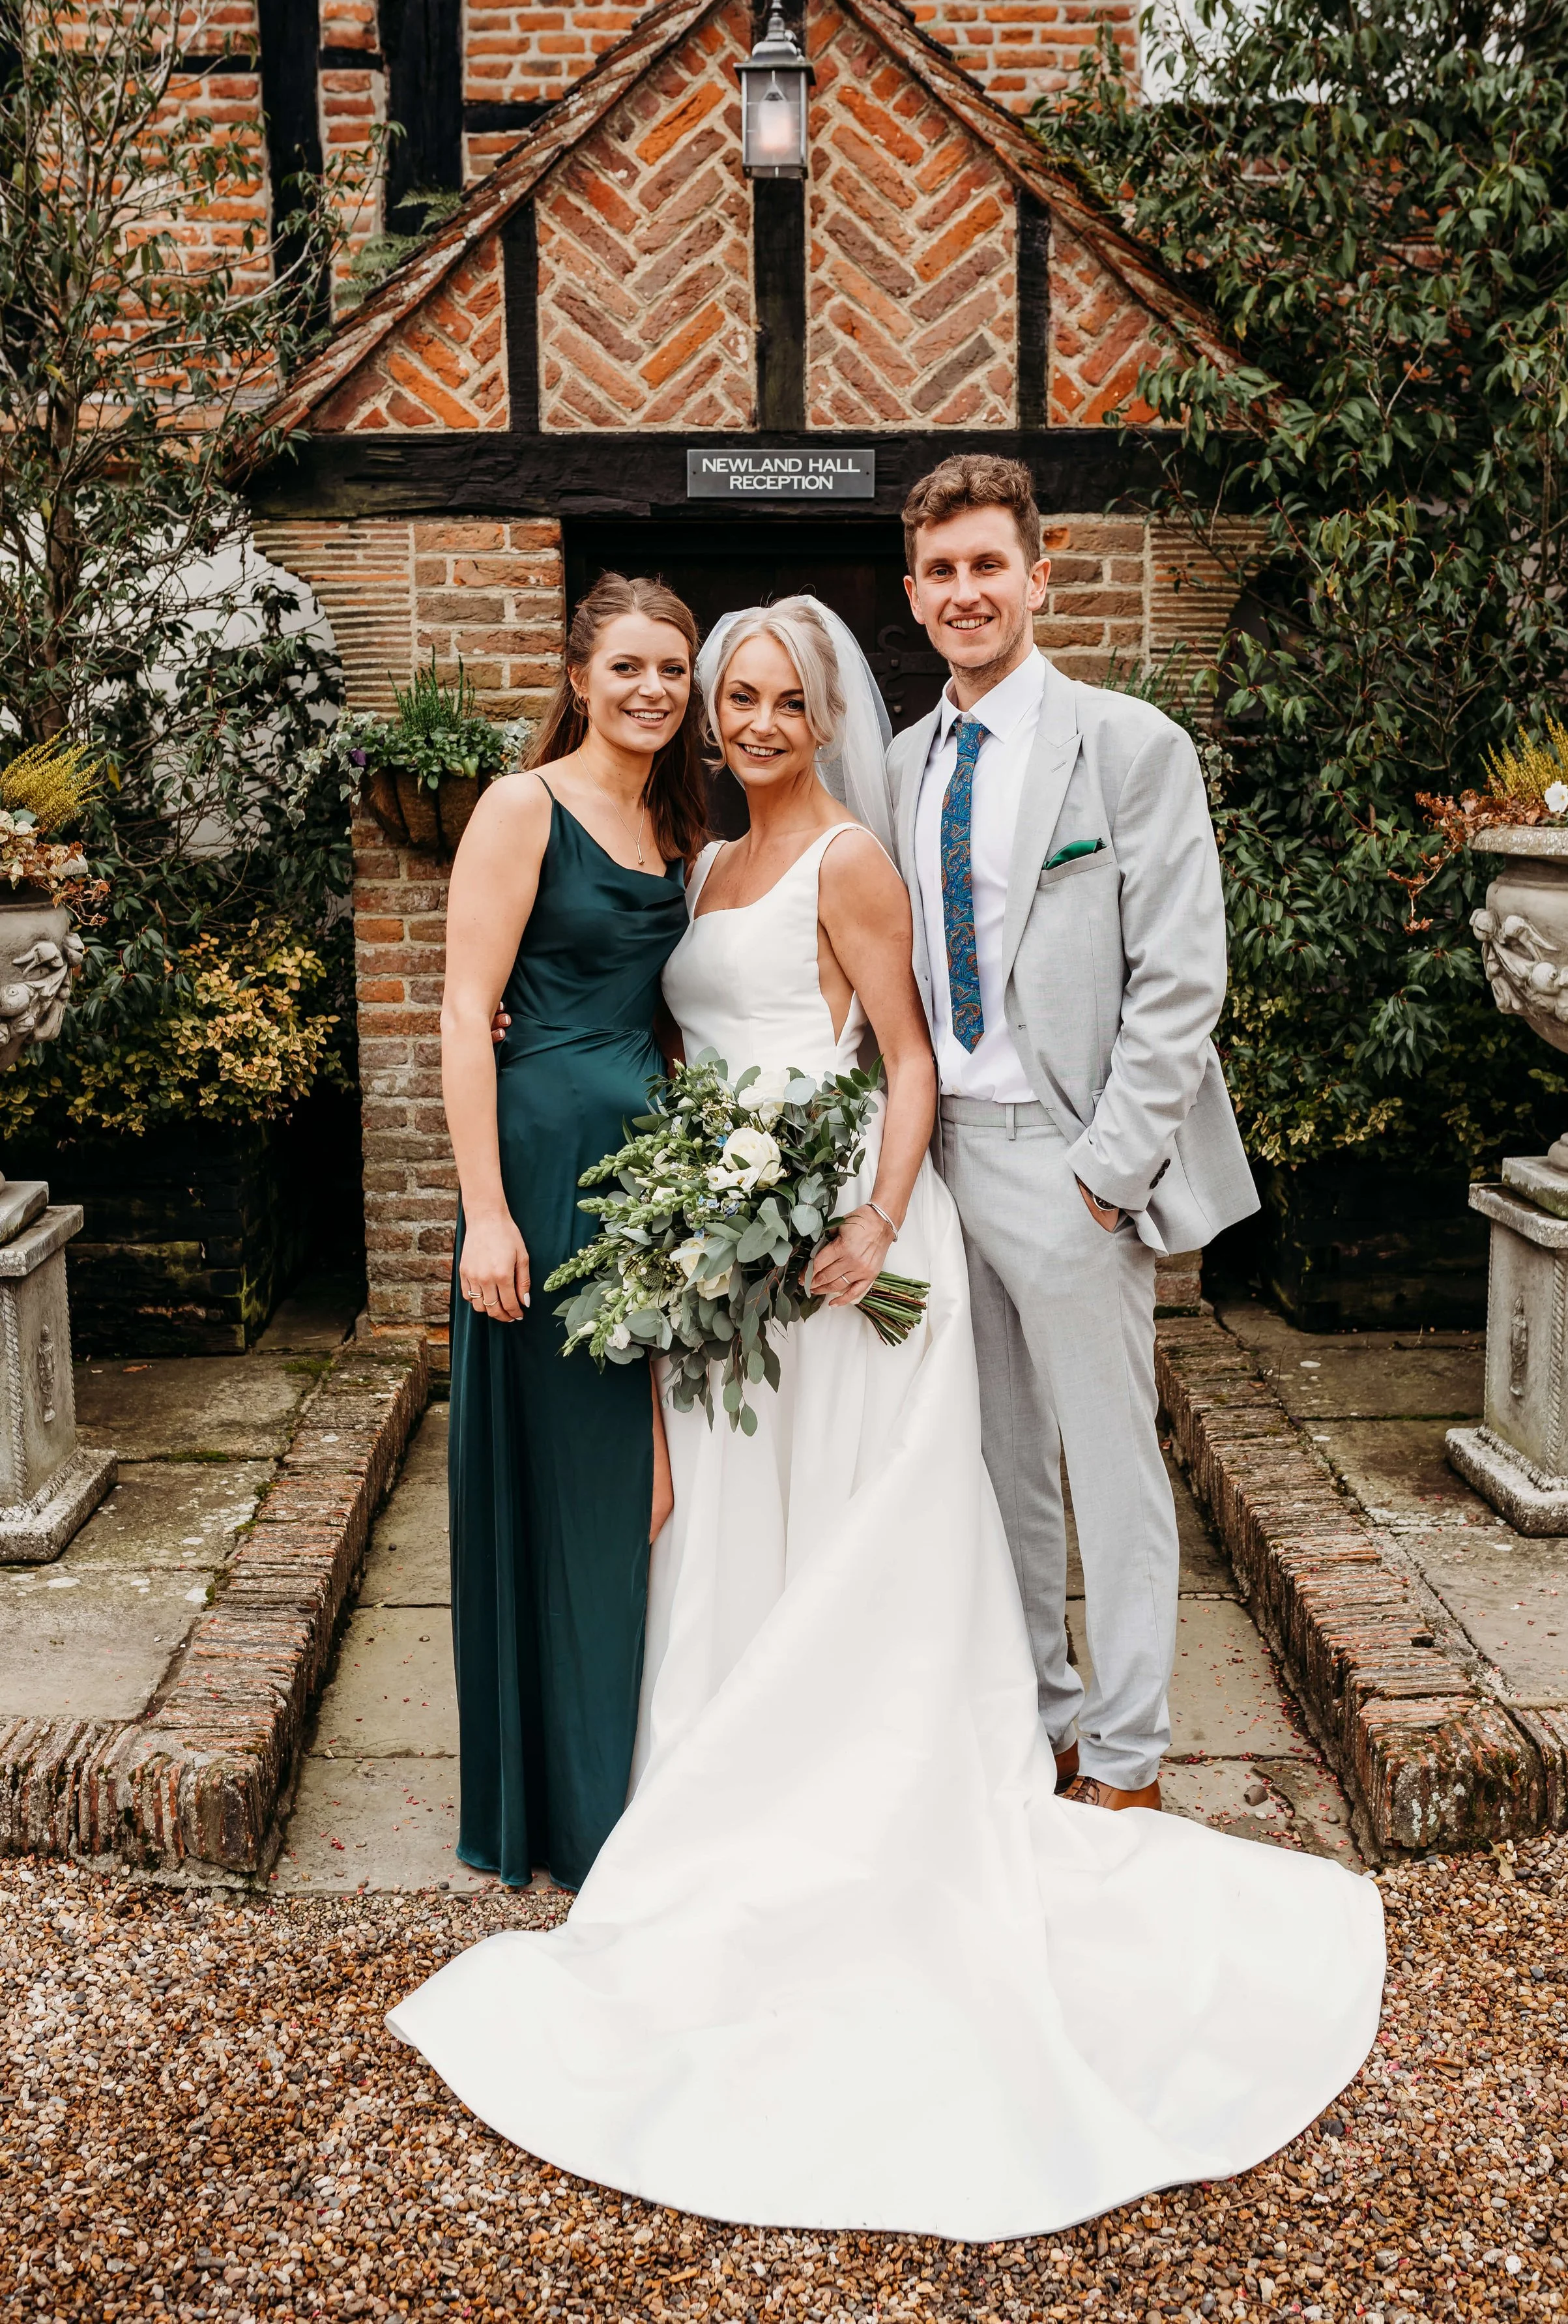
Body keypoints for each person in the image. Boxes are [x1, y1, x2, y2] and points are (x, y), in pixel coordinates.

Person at [392, 592, 1384, 2241]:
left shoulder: (852, 854)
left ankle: (974, 1765)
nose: (751, 721)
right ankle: (700, 1768)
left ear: (820, 707)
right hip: (711, 1234)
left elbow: (903, 1057)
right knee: (718, 1510)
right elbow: (643, 1014)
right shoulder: (694, 855)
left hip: (839, 1241)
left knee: (873, 1512)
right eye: (731, 698)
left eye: (775, 697)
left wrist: (863, 1216)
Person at [890, 451, 1261, 1808]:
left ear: (1037, 577)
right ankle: (1040, 1723)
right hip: (941, 1168)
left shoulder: (1126, 746)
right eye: (940, 570)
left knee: (1109, 1472)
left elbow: (1180, 976)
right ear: (912, 591)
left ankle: (1126, 1758)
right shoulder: (899, 764)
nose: (965, 591)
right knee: (997, 1467)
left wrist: (1107, 1176)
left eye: (989, 564)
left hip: (1066, 1162)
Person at [439, 570, 706, 1894]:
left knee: (634, 1484)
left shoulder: (673, 815)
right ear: (576, 674)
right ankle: (560, 1813)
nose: (652, 690)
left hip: (643, 1171)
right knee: (568, 1478)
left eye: (672, 669)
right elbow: (458, 1013)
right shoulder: (518, 807)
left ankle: (622, 1778)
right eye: (629, 669)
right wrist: (483, 1213)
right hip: (541, 1173)